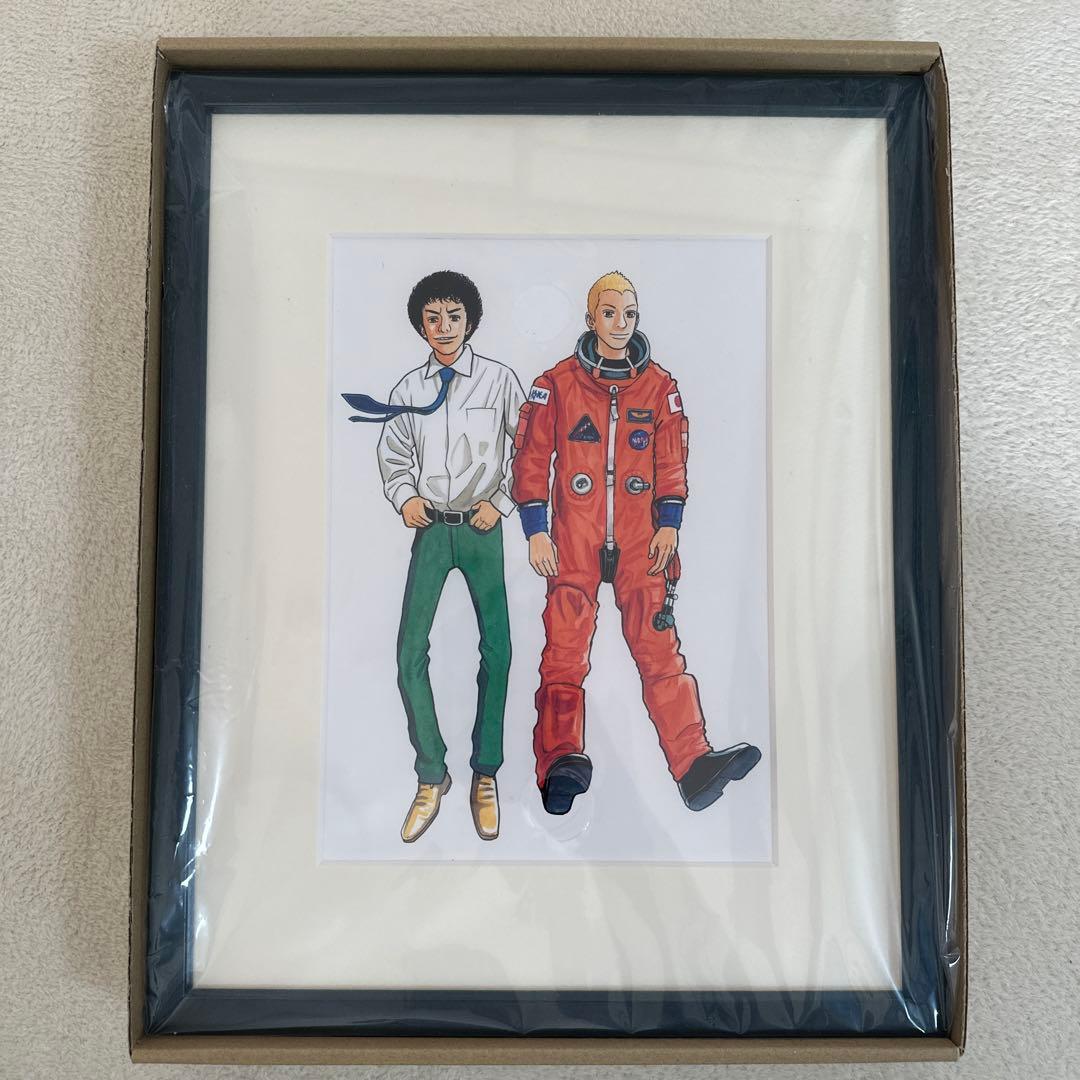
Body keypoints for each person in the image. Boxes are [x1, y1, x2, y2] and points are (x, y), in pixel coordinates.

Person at [510, 270, 760, 814]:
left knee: (659, 649)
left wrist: (670, 522)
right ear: (590, 319)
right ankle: (559, 763)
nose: (620, 323)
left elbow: (672, 460)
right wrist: (536, 530)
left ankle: (694, 765)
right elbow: (530, 458)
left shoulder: (660, 387)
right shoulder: (556, 384)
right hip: (573, 538)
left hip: (641, 539)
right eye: (609, 312)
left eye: (629, 313)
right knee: (564, 653)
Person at [342, 270, 525, 842]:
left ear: (470, 321)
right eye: (432, 318)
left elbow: (528, 448)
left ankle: (486, 773)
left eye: (454, 316)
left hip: (482, 527)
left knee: (497, 650)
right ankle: (431, 774)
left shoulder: (499, 381)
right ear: (420, 325)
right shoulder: (408, 389)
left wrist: (501, 501)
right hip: (432, 530)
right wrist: (405, 497)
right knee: (408, 653)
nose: (444, 327)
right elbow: (394, 454)